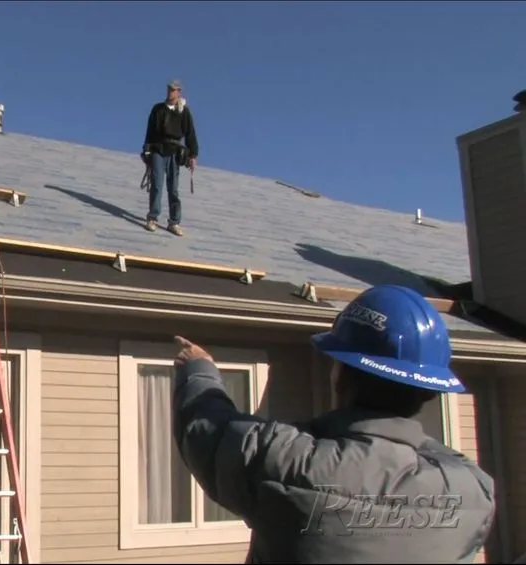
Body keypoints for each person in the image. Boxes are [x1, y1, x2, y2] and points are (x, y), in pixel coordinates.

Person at [170, 284, 496, 563]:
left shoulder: (281, 460)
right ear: (429, 394)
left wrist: (199, 368)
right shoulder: (473, 491)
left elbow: (206, 428)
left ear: (341, 378)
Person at [141, 79, 198, 236]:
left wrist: (193, 155)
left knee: (173, 188)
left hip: (175, 151)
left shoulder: (183, 111)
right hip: (158, 149)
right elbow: (150, 132)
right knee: (157, 184)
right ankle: (152, 218)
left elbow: (190, 134)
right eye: (169, 89)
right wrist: (146, 152)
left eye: (174, 90)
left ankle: (174, 222)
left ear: (179, 92)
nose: (170, 92)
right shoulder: (158, 109)